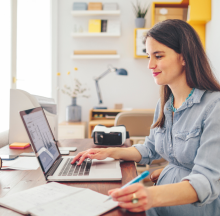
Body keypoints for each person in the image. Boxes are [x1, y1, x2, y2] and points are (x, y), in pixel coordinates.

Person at [71, 19, 220, 216]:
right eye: (149, 56)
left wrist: (151, 195)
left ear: (184, 57)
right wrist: (109, 152)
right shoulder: (166, 104)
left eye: (158, 56)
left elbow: (206, 180)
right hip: (157, 205)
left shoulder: (214, 106)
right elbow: (150, 148)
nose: (150, 65)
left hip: (192, 209)